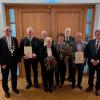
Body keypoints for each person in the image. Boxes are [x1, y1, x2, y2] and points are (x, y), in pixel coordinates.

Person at [0, 26, 20, 98]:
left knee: (14, 75)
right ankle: (6, 91)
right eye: (6, 31)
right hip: (5, 63)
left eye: (9, 31)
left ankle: (14, 88)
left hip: (14, 62)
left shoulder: (14, 39)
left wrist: (18, 60)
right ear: (4, 32)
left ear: (11, 32)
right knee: (5, 77)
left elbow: (17, 50)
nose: (8, 32)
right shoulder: (1, 40)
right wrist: (2, 63)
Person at [86, 30, 100, 96]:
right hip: (91, 63)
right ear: (95, 35)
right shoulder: (90, 42)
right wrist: (92, 60)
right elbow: (87, 52)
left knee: (99, 76)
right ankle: (90, 86)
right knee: (91, 75)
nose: (99, 36)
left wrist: (97, 61)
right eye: (97, 34)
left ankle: (98, 89)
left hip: (99, 63)